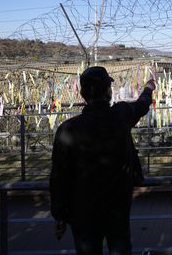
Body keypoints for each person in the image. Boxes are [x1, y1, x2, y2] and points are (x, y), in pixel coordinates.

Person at [50, 66, 156, 255]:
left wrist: (59, 214)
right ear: (109, 91)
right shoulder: (121, 115)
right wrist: (148, 88)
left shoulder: (68, 129)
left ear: (82, 94)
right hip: (118, 205)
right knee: (120, 248)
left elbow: (59, 175)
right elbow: (141, 105)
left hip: (81, 209)